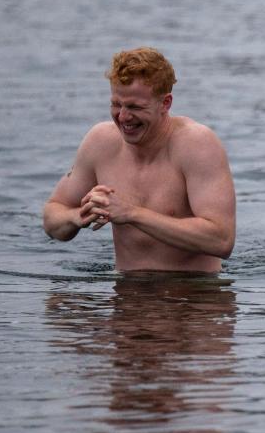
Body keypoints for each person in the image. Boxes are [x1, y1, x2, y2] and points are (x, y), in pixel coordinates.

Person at [43, 47, 236, 273]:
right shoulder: (100, 141)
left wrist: (131, 214)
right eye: (116, 104)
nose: (123, 117)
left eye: (135, 107)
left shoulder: (197, 145)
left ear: (165, 103)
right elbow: (51, 217)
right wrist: (77, 216)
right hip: (126, 293)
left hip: (194, 294)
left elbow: (221, 240)